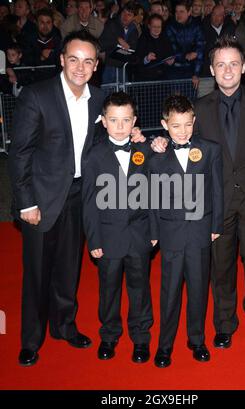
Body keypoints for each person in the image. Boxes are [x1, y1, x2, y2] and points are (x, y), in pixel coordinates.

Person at [152, 36, 245, 349]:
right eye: (220, 64)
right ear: (212, 70)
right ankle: (225, 322)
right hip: (216, 202)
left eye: (233, 64)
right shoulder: (199, 109)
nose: (227, 70)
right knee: (220, 265)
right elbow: (182, 140)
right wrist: (158, 144)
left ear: (243, 67)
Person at [8, 30, 106, 367]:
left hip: (79, 195)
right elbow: (19, 153)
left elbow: (103, 143)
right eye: (74, 59)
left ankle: (64, 326)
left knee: (68, 268)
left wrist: (136, 136)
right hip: (41, 199)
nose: (81, 67)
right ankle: (30, 340)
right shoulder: (37, 96)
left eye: (88, 60)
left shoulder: (98, 98)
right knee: (37, 273)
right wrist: (26, 202)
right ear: (61, 59)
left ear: (96, 65)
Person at [150, 95, 223, 368]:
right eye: (176, 126)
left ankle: (197, 339)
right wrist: (154, 231)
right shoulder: (156, 157)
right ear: (164, 125)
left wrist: (215, 225)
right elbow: (152, 198)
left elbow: (217, 189)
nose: (182, 131)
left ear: (194, 122)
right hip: (170, 233)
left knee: (198, 288)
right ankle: (164, 345)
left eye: (188, 125)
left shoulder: (210, 149)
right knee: (169, 292)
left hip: (200, 231)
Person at [82, 92, 155, 364]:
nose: (120, 126)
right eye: (114, 120)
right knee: (108, 289)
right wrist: (93, 238)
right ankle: (109, 334)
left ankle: (141, 337)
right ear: (104, 121)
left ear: (134, 120)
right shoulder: (94, 156)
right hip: (108, 235)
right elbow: (89, 202)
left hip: (139, 235)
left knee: (140, 289)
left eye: (126, 120)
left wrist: (154, 232)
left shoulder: (143, 149)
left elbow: (155, 194)